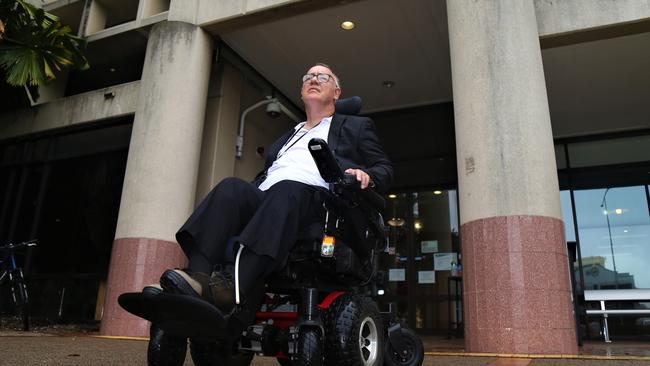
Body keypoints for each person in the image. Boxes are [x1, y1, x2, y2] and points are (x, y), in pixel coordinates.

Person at [154, 63, 392, 315]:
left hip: (319, 207)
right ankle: (197, 278)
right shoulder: (289, 135)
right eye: (308, 76)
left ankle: (233, 286)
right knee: (231, 187)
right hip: (272, 201)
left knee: (288, 189)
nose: (314, 79)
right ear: (302, 92)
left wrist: (366, 175)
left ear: (336, 92)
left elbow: (384, 167)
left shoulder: (356, 126)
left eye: (323, 77)